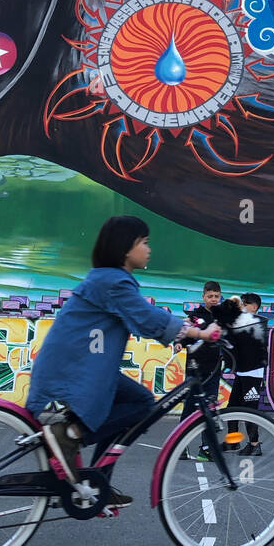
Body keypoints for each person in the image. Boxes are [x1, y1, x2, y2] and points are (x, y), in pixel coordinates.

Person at [25, 216, 219, 505]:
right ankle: (69, 434)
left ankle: (99, 481)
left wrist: (178, 334)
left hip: (84, 366)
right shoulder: (111, 280)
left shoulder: (111, 279)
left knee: (134, 401)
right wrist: (198, 332)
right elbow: (146, 316)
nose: (149, 249)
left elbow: (140, 320)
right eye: (144, 242)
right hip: (77, 367)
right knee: (141, 403)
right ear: (126, 248)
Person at [177, 282, 240, 460]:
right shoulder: (195, 316)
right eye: (210, 296)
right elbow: (185, 334)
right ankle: (179, 446)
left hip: (214, 369)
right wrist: (179, 343)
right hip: (194, 369)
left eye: (216, 296)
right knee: (190, 407)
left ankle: (206, 448)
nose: (213, 299)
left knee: (210, 409)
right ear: (203, 297)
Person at [223, 291, 268, 455]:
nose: (241, 307)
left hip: (253, 375)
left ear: (254, 307)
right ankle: (233, 441)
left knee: (250, 411)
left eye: (244, 304)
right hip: (242, 373)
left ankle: (254, 444)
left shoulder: (258, 324)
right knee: (232, 408)